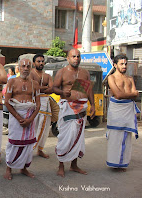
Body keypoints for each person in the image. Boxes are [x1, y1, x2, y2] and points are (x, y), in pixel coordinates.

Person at [53, 49, 95, 177]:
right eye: (73, 56)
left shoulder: (85, 73)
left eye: (78, 56)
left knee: (78, 138)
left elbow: (88, 90)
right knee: (65, 138)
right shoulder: (62, 72)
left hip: (81, 108)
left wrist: (93, 104)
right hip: (68, 108)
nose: (76, 58)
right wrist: (61, 93)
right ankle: (61, 165)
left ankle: (74, 165)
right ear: (68, 58)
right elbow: (54, 88)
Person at [4, 58, 40, 180]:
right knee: (13, 142)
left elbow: (38, 104)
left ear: (31, 68)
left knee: (28, 144)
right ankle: (9, 168)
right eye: (23, 66)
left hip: (30, 116)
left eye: (28, 66)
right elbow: (7, 102)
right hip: (16, 117)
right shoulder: (12, 82)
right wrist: (19, 117)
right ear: (18, 68)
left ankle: (24, 168)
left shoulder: (35, 84)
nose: (25, 68)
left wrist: (30, 120)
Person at [106, 54, 139, 171]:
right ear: (115, 65)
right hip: (116, 112)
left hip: (127, 111)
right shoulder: (111, 78)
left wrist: (127, 95)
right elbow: (118, 95)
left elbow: (136, 94)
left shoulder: (130, 78)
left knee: (126, 138)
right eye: (121, 64)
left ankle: (123, 163)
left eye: (125, 63)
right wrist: (131, 94)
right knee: (115, 137)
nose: (124, 66)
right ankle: (114, 163)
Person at [30, 54, 53, 158]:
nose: (41, 63)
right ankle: (29, 148)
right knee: (33, 126)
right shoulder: (30, 74)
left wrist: (39, 88)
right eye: (38, 61)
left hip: (45, 102)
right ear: (34, 63)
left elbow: (51, 89)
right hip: (33, 102)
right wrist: (44, 88)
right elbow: (31, 88)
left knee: (44, 127)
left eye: (42, 61)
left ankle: (40, 149)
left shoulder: (47, 76)